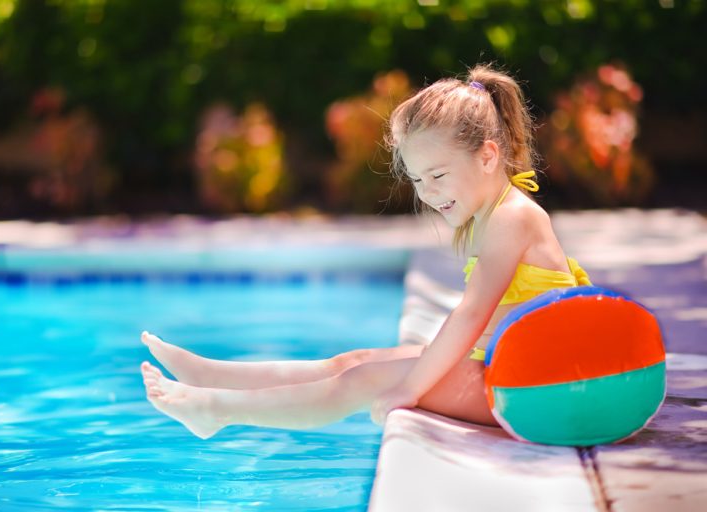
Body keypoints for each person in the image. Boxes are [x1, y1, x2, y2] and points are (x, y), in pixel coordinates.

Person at [139, 63, 592, 439]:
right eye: (417, 181)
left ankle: (217, 410)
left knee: (363, 380)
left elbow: (472, 315)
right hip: (514, 374)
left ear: (488, 156)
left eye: (437, 175)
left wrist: (410, 388)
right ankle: (213, 377)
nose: (428, 193)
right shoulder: (491, 214)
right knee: (353, 361)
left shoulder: (514, 217)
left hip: (540, 389)